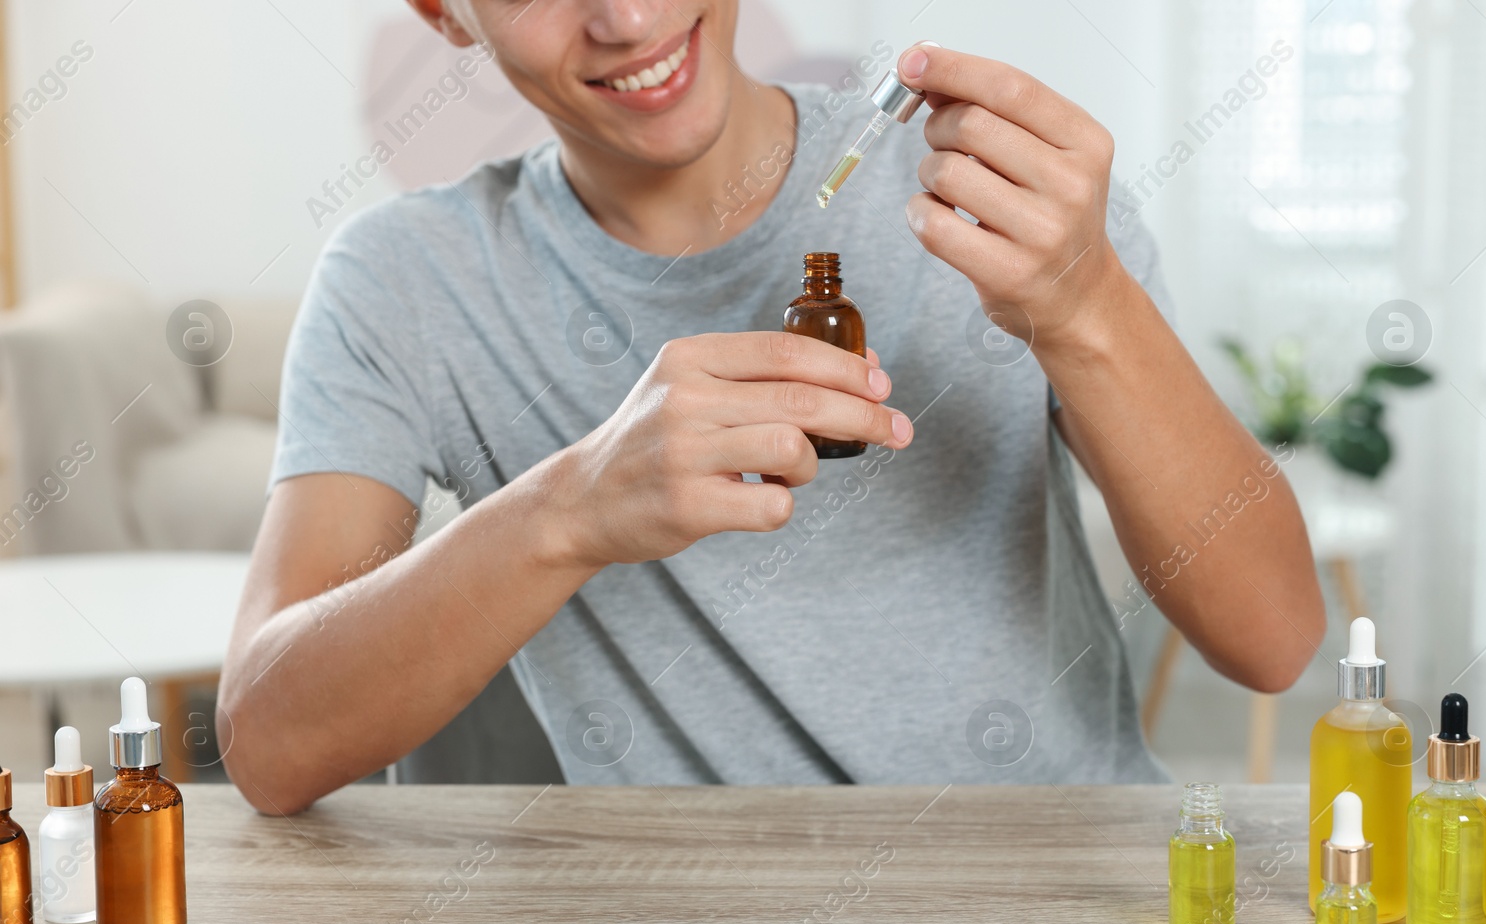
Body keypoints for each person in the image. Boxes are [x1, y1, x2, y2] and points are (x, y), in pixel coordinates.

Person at [218, 0, 1324, 815]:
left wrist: (1085, 306)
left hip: (1061, 903)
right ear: (441, 14)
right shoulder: (408, 279)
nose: (628, 17)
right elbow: (268, 743)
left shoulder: (988, 194)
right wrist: (566, 510)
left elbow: (1275, 639)